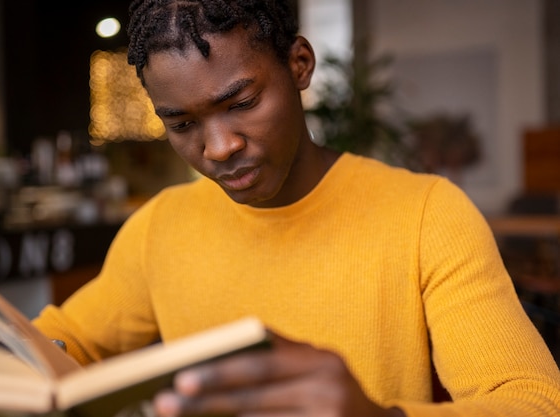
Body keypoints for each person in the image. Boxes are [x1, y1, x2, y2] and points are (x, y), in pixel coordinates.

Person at [33, 1, 560, 416]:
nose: (218, 148)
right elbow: (66, 339)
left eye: (241, 104)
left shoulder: (427, 215)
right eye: (183, 125)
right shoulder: (161, 226)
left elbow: (534, 401)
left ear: (299, 65)